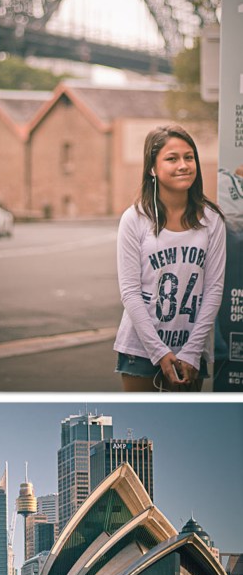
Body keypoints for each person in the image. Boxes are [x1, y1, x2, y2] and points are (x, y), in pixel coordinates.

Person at [114, 124, 225, 391]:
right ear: (152, 168)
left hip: (191, 348)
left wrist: (192, 349)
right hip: (140, 349)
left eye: (189, 157)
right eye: (172, 158)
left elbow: (213, 289)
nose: (184, 165)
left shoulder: (211, 220)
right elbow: (130, 292)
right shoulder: (135, 219)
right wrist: (159, 352)